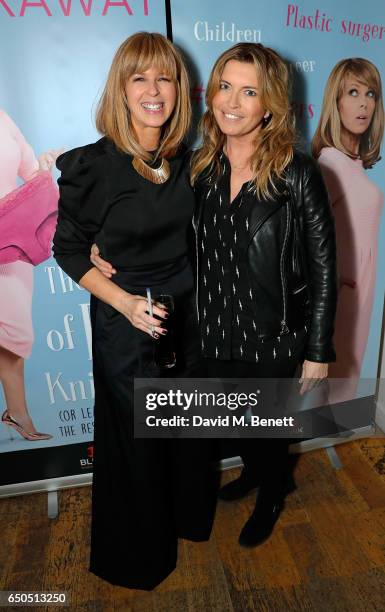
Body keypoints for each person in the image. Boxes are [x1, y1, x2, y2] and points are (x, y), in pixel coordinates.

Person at [52, 32, 217, 590]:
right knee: (138, 444)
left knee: (184, 432)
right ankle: (139, 556)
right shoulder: (94, 166)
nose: (154, 90)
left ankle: (187, 521)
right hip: (127, 326)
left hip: (185, 319)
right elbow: (68, 250)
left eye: (164, 77)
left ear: (178, 90)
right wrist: (125, 303)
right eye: (139, 77)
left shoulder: (187, 161)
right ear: (121, 90)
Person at [189, 42, 337, 547]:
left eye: (249, 91)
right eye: (225, 86)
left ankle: (273, 491)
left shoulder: (296, 172)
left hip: (271, 335)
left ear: (269, 104)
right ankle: (258, 472)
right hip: (212, 329)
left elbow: (323, 266)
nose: (231, 101)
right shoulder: (200, 169)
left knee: (268, 427)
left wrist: (317, 349)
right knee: (238, 420)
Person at [312, 58, 384, 402]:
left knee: (343, 389)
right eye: (352, 92)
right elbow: (310, 237)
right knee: (330, 389)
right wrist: (338, 281)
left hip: (361, 293)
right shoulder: (331, 162)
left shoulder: (353, 164)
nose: (363, 103)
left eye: (370, 93)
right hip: (342, 299)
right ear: (335, 102)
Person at [0, 109, 58, 442]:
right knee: (10, 332)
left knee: (14, 335)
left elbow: (29, 169)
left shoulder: (4, 118)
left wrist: (44, 165)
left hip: (14, 240)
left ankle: (17, 413)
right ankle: (19, 414)